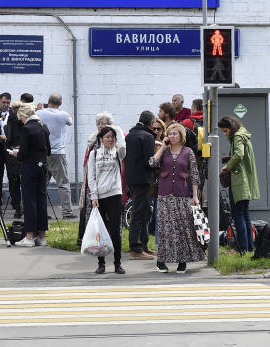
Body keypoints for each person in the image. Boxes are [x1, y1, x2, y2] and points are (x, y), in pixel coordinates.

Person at [153, 122, 204, 273]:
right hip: (164, 195)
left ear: (181, 135)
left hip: (182, 195)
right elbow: (153, 162)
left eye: (175, 133)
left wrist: (195, 196)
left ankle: (182, 261)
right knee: (165, 229)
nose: (172, 136)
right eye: (169, 134)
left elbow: (194, 175)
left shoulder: (188, 152)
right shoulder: (164, 151)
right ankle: (161, 261)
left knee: (183, 228)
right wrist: (162, 147)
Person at [78, 111, 126, 243]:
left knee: (114, 219)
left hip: (113, 187)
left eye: (103, 124)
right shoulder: (93, 140)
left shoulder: (115, 142)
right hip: (95, 186)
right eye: (98, 124)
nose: (99, 126)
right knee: (96, 217)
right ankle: (95, 241)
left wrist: (117, 131)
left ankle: (113, 242)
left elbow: (122, 149)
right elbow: (89, 166)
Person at [87, 126, 126, 275]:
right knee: (101, 232)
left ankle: (118, 263)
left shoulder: (118, 153)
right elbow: (91, 176)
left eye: (112, 137)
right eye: (107, 137)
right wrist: (94, 196)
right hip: (100, 197)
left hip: (114, 195)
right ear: (101, 139)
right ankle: (101, 263)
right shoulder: (94, 153)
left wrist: (116, 129)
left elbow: (122, 146)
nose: (110, 139)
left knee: (115, 231)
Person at [10, 103, 50, 247]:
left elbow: (22, 154)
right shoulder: (43, 127)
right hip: (43, 165)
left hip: (30, 167)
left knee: (29, 201)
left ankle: (29, 236)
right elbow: (48, 150)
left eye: (20, 117)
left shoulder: (27, 128)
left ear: (24, 116)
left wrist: (16, 152)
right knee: (41, 200)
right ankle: (42, 236)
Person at [219, 115, 260, 254]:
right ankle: (249, 247)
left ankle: (241, 248)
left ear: (230, 127)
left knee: (237, 215)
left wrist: (227, 166)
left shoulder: (237, 137)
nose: (225, 134)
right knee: (245, 214)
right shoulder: (244, 134)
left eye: (225, 131)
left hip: (239, 180)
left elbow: (239, 154)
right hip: (245, 180)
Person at [124, 111, 159, 260]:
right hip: (143, 179)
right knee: (139, 213)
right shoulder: (148, 136)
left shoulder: (131, 135)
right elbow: (149, 161)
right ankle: (136, 248)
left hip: (132, 178)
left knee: (143, 212)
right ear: (150, 123)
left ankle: (143, 245)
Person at [36, 93, 74, 218]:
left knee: (41, 184)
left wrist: (39, 109)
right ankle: (67, 212)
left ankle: (41, 213)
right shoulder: (63, 114)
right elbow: (70, 122)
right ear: (60, 103)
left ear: (48, 101)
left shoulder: (40, 113)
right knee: (63, 184)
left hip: (43, 153)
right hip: (58, 153)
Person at [0, 92, 18, 215]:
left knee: (13, 174)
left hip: (10, 146)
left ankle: (15, 200)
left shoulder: (14, 114)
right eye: (3, 102)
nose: (5, 105)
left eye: (8, 103)